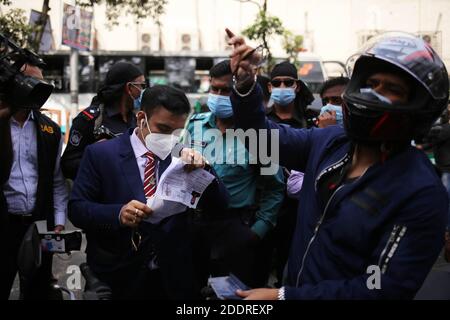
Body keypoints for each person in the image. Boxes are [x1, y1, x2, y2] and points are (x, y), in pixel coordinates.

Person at [227, 29, 449, 299]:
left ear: (417, 106)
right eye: (371, 83)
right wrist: (245, 82)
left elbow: (380, 287)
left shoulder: (420, 192)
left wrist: (285, 297)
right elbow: (263, 141)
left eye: (391, 89)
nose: (373, 94)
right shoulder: (330, 142)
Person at [69, 85, 229, 299]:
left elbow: (220, 205)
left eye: (177, 132)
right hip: (120, 273)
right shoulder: (101, 154)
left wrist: (205, 169)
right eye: (163, 129)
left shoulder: (182, 156)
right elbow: (77, 209)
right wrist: (118, 213)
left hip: (174, 276)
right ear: (141, 117)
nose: (170, 138)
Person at [186, 60, 285, 288]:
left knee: (234, 296)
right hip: (195, 224)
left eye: (227, 91)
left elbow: (275, 187)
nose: (219, 96)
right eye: (215, 89)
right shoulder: (196, 125)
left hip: (235, 227)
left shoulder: (257, 135)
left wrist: (256, 232)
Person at [0, 63, 68, 300]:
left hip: (38, 227)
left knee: (37, 292)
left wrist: (58, 221)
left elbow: (57, 180)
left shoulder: (49, 129)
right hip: (4, 226)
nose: (37, 89)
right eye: (31, 82)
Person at [62, 61, 145, 180]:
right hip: (98, 195)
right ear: (129, 88)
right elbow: (67, 166)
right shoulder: (90, 120)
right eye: (141, 85)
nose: (143, 91)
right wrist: (95, 156)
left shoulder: (135, 120)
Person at [427, 105, 450, 262]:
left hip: (447, 168)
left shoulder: (445, 129)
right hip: (445, 166)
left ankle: (446, 229)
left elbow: (432, 139)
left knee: (445, 198)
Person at [266, 61, 313, 129]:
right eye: (276, 83)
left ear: (298, 87)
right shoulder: (261, 118)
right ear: (270, 87)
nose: (282, 87)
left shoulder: (309, 119)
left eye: (288, 83)